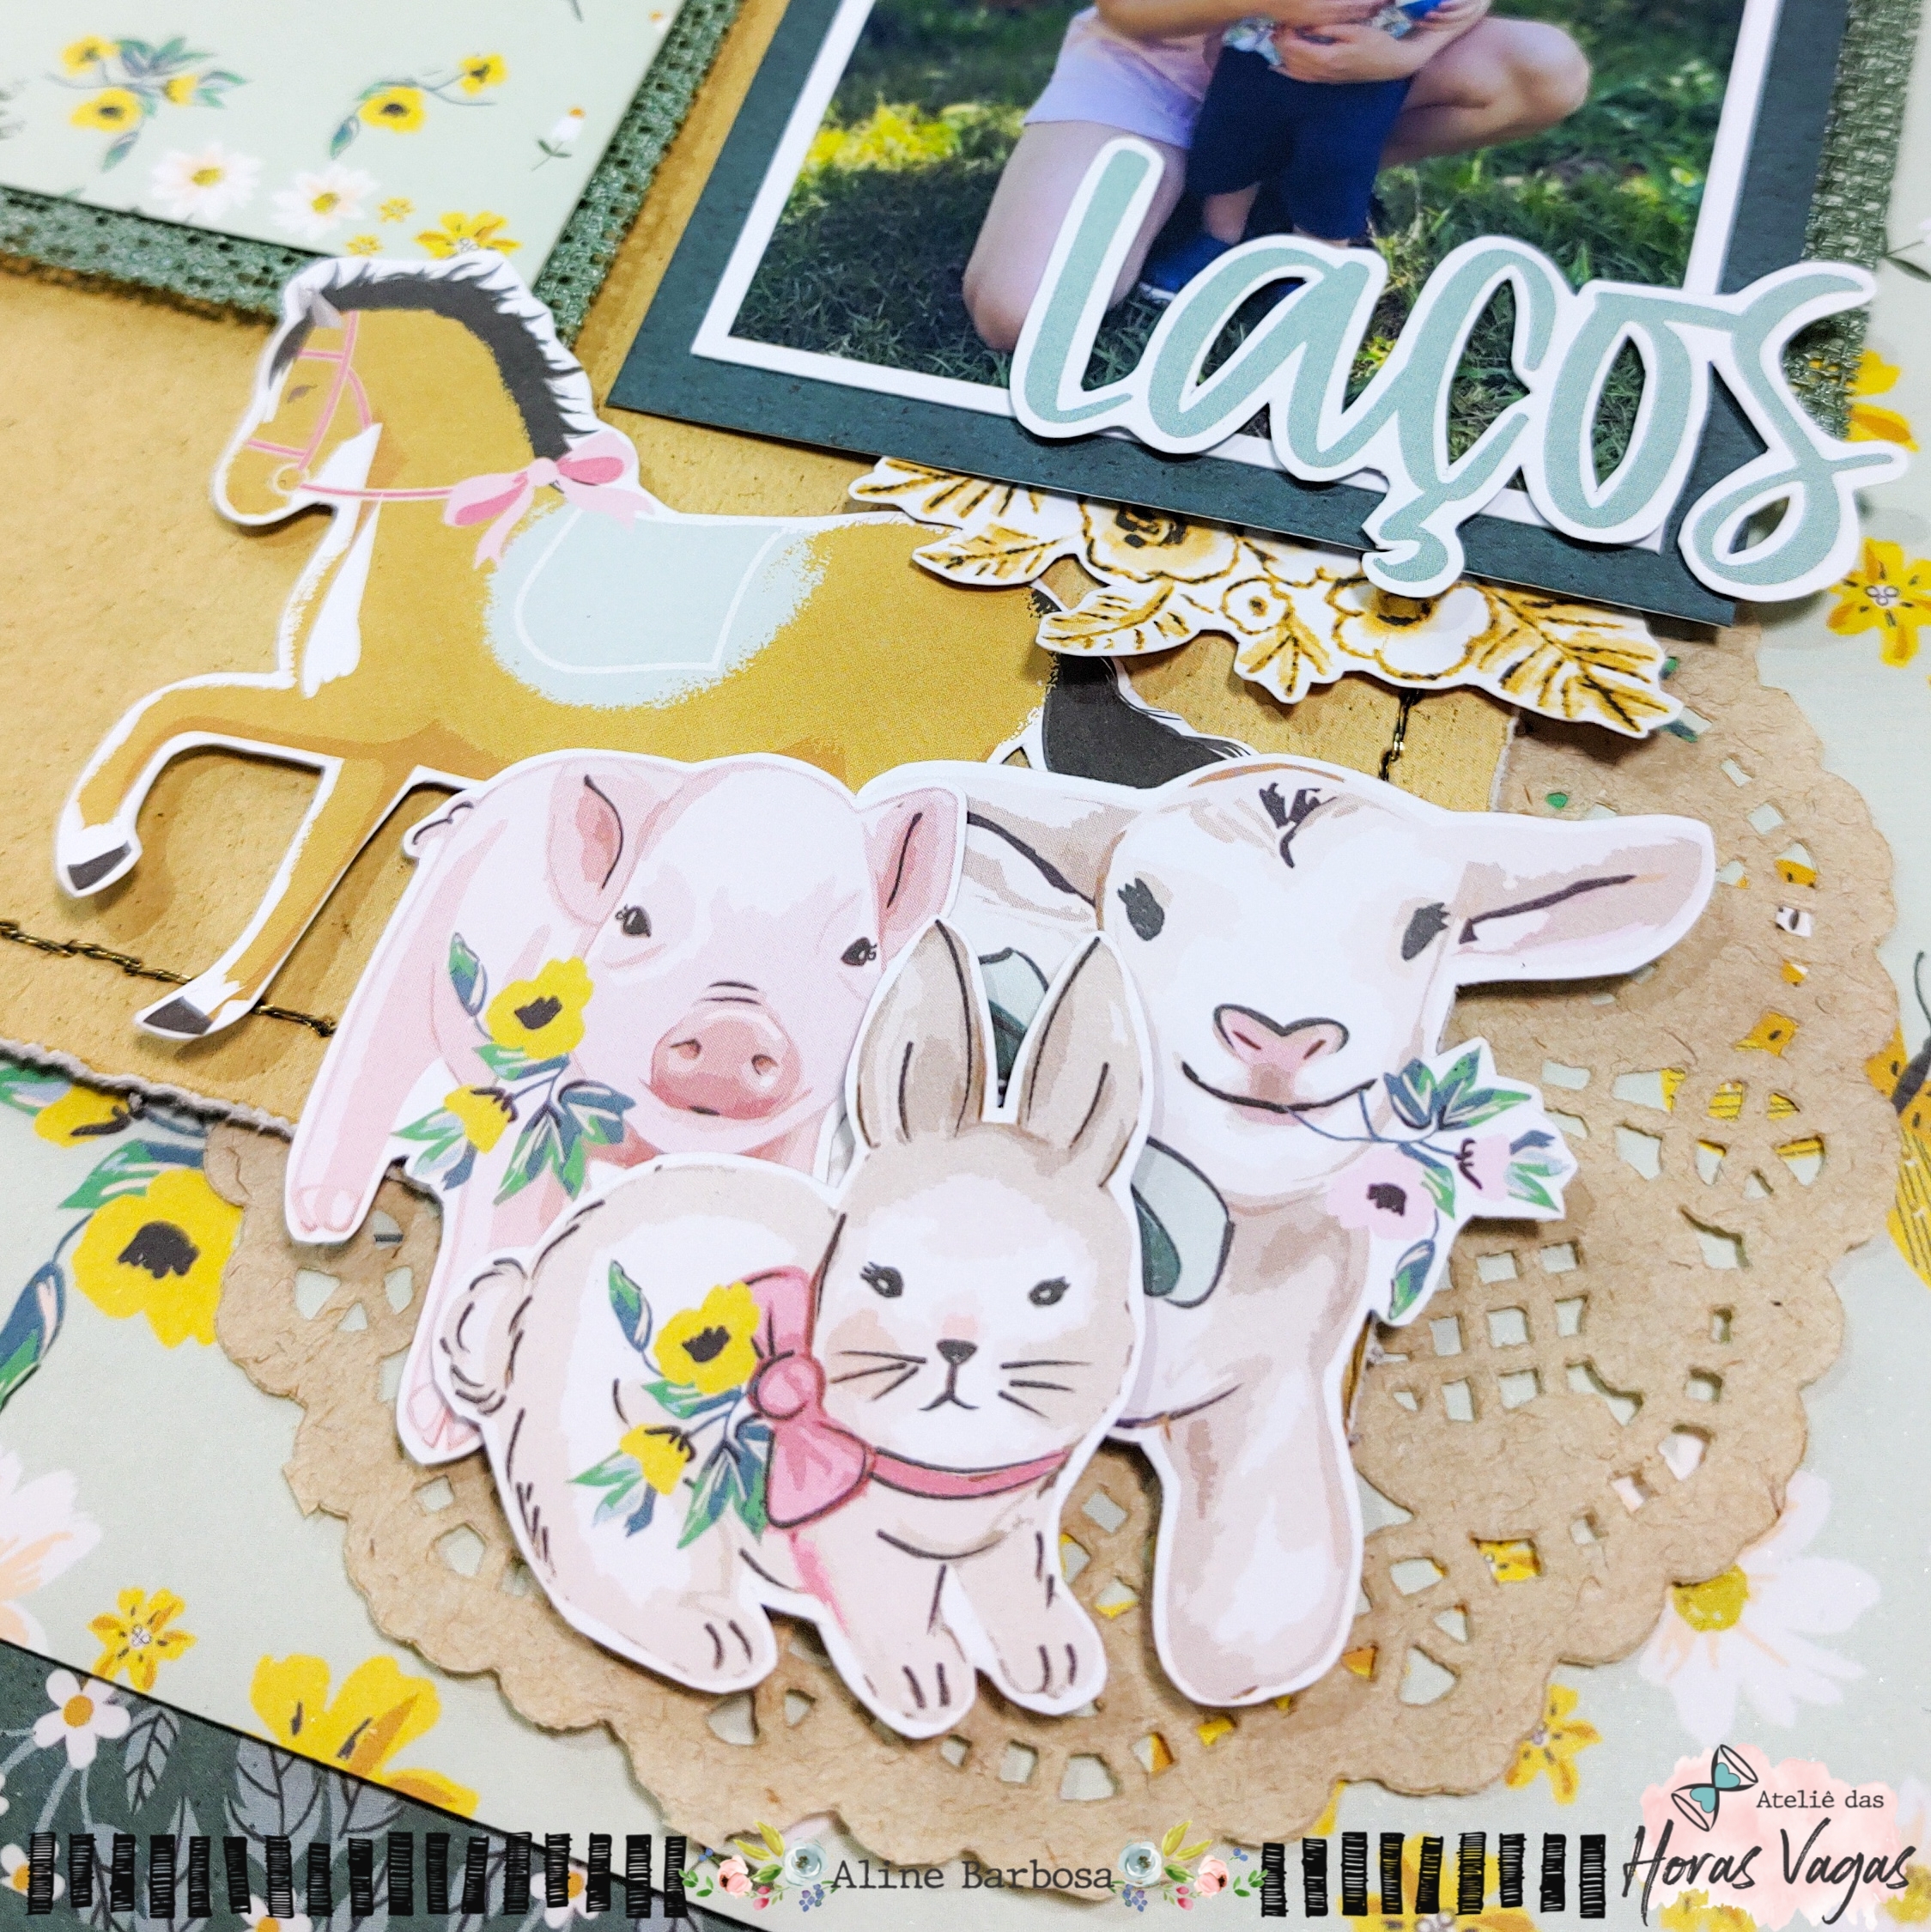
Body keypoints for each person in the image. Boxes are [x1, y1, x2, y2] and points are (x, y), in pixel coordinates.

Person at [962, 0, 1588, 350]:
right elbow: (1127, 10)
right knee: (1025, 314)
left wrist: (1405, 54)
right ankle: (1204, 195)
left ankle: (1276, 193)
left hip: (1339, 70)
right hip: (1149, 67)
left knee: (1545, 67)